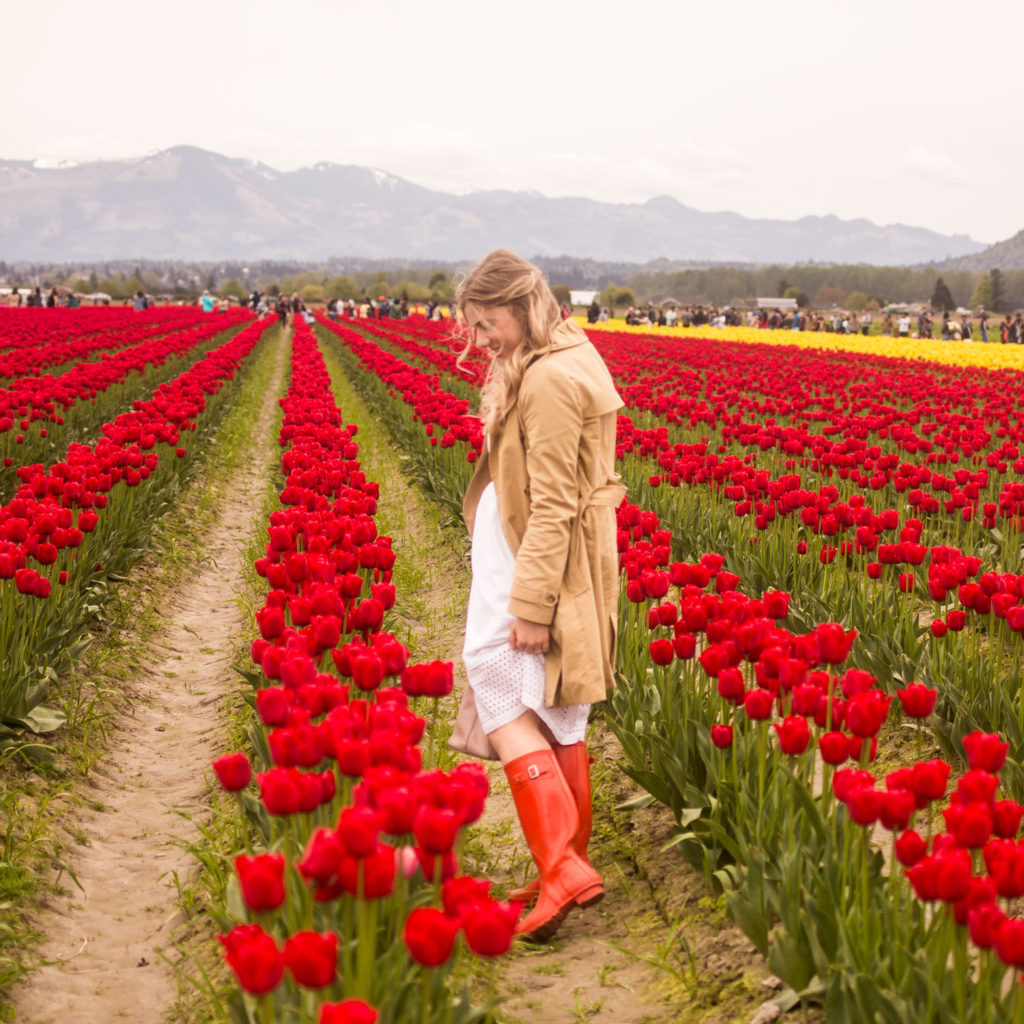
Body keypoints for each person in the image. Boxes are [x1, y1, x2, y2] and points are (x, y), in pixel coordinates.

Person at [455, 250, 624, 943]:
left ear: (520, 306)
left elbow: (554, 503)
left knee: (497, 684)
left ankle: (561, 866)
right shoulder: (559, 352)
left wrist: (531, 604)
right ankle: (566, 861)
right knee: (557, 707)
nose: (479, 340)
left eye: (486, 323)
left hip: (535, 562)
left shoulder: (551, 379)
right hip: (537, 555)